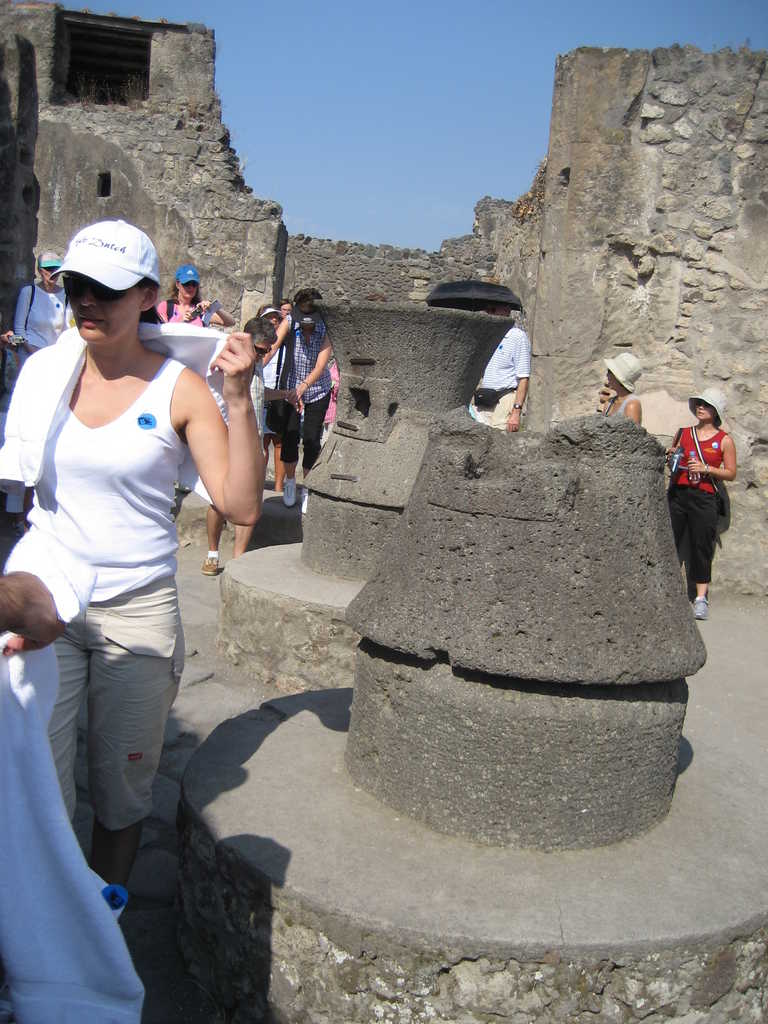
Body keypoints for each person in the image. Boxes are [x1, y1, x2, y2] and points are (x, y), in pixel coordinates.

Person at [1, 219, 263, 886]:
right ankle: (58, 922)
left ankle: (107, 917)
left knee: (120, 794)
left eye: (108, 290)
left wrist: (238, 399)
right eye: (77, 287)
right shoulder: (45, 375)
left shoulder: (180, 388)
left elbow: (240, 505)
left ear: (147, 295)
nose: (88, 301)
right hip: (47, 592)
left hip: (137, 609)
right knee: (35, 783)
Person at [202, 315, 297, 575]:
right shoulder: (226, 361)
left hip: (253, 440)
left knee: (251, 502)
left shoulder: (255, 364)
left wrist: (283, 395)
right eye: (260, 350)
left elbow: (257, 393)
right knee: (217, 500)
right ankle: (212, 553)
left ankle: (238, 560)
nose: (263, 356)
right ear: (247, 341)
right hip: (225, 439)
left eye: (267, 351)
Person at [667, 387, 737, 621]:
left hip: (704, 497)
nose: (700, 407)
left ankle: (700, 598)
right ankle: (666, 591)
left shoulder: (724, 440)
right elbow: (673, 461)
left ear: (716, 411)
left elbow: (731, 473)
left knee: (702, 546)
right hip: (678, 493)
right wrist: (672, 456)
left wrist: (706, 468)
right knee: (670, 541)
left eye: (706, 405)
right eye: (699, 403)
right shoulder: (683, 433)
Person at [278, 289, 333, 510]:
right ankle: (290, 482)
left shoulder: (328, 327)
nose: (307, 324)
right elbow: (273, 345)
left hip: (317, 389)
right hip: (292, 387)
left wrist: (304, 387)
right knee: (290, 435)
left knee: (311, 439)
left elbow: (320, 366)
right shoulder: (290, 321)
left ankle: (307, 487)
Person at [470, 303, 531, 432]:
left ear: (506, 310)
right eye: (488, 310)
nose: (490, 313)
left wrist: (516, 412)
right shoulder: (487, 335)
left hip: (505, 398)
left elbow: (523, 377)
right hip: (485, 398)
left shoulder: (517, 336)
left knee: (498, 439)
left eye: (493, 309)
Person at [11, 251, 69, 357]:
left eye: (56, 269)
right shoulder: (28, 292)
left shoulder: (65, 295)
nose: (53, 273)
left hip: (54, 355)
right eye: (48, 269)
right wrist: (32, 351)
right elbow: (19, 330)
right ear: (40, 270)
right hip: (29, 354)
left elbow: (67, 329)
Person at [156, 263, 235, 328]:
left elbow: (230, 322)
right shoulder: (166, 307)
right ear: (177, 284)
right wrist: (181, 321)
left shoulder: (200, 311)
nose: (191, 287)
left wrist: (214, 308)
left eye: (194, 284)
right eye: (186, 283)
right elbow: (161, 332)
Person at [596, 352, 642, 424]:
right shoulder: (609, 402)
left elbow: (632, 431)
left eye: (609, 371)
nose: (607, 374)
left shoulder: (632, 405)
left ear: (618, 378)